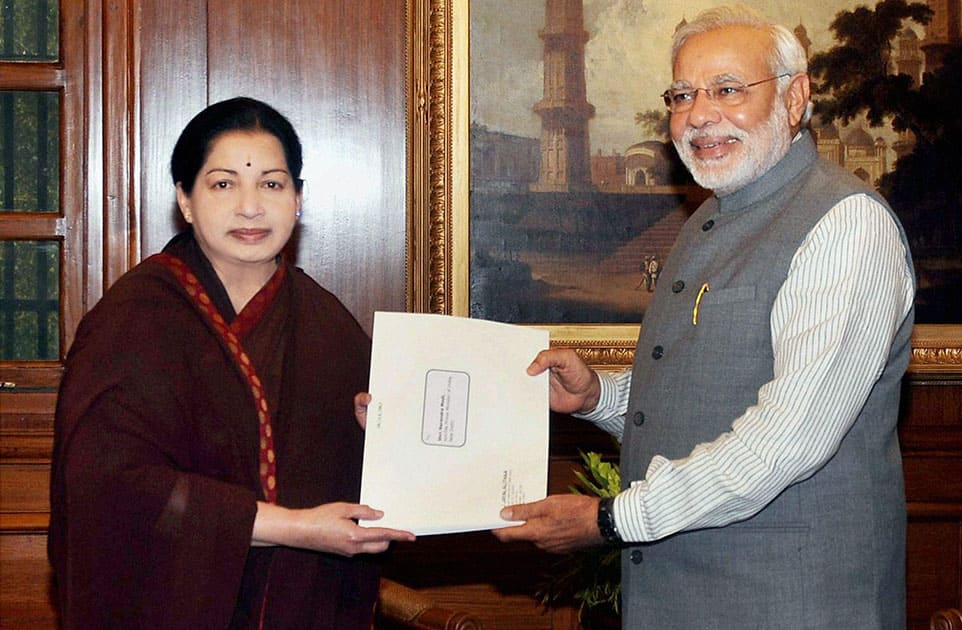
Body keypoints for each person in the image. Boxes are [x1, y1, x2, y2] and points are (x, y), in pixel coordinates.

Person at [493, 6, 915, 629]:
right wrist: (597, 397)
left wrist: (612, 519)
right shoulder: (708, 221)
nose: (699, 114)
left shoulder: (847, 226)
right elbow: (715, 390)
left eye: (727, 90)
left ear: (795, 98)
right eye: (683, 94)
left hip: (791, 605)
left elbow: (785, 440)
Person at [48, 97, 415, 630]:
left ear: (298, 199)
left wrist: (372, 433)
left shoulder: (328, 325)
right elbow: (110, 488)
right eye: (223, 184)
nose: (251, 207)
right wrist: (294, 528)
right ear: (186, 199)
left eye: (272, 184)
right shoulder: (135, 319)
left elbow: (379, 486)